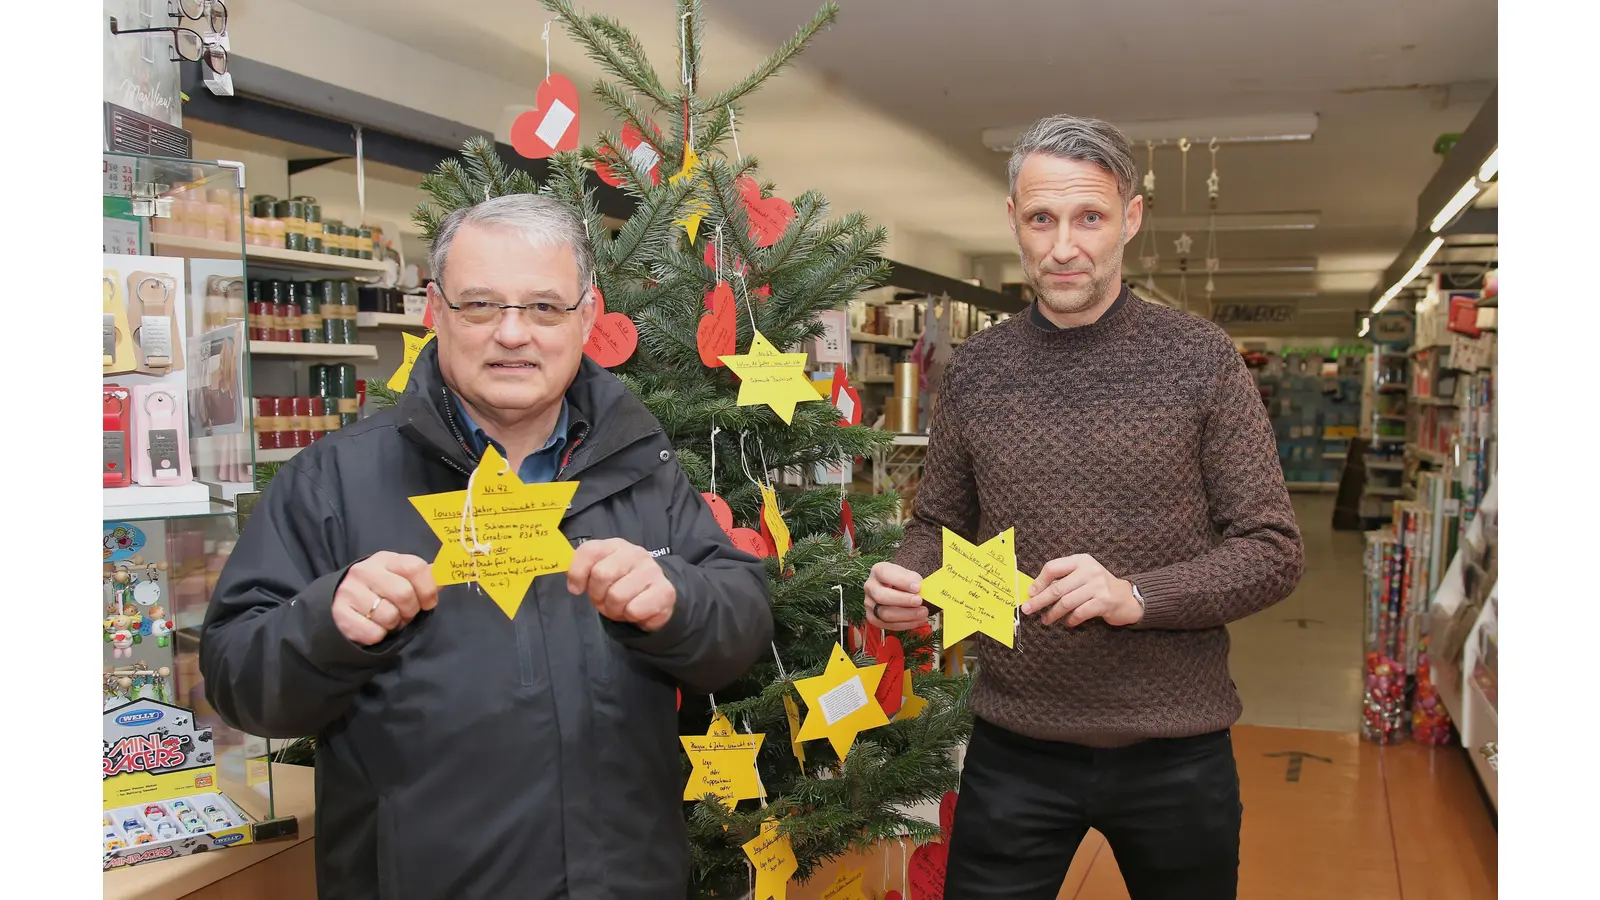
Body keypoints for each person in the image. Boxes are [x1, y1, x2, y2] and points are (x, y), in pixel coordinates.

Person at [200, 194, 774, 899]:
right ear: (434, 312)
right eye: (480, 306)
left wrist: (677, 601)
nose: (512, 334)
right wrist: (326, 623)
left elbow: (742, 622)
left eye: (543, 308)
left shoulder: (638, 465)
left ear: (587, 318)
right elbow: (235, 679)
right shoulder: (334, 481)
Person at [864, 115, 1305, 900]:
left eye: (1089, 218)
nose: (1063, 246)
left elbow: (1272, 547)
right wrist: (906, 577)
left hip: (1178, 751)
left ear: (1131, 219)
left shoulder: (1201, 360)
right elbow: (937, 523)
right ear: (1015, 223)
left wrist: (1137, 596)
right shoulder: (978, 369)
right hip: (1014, 746)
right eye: (1042, 219)